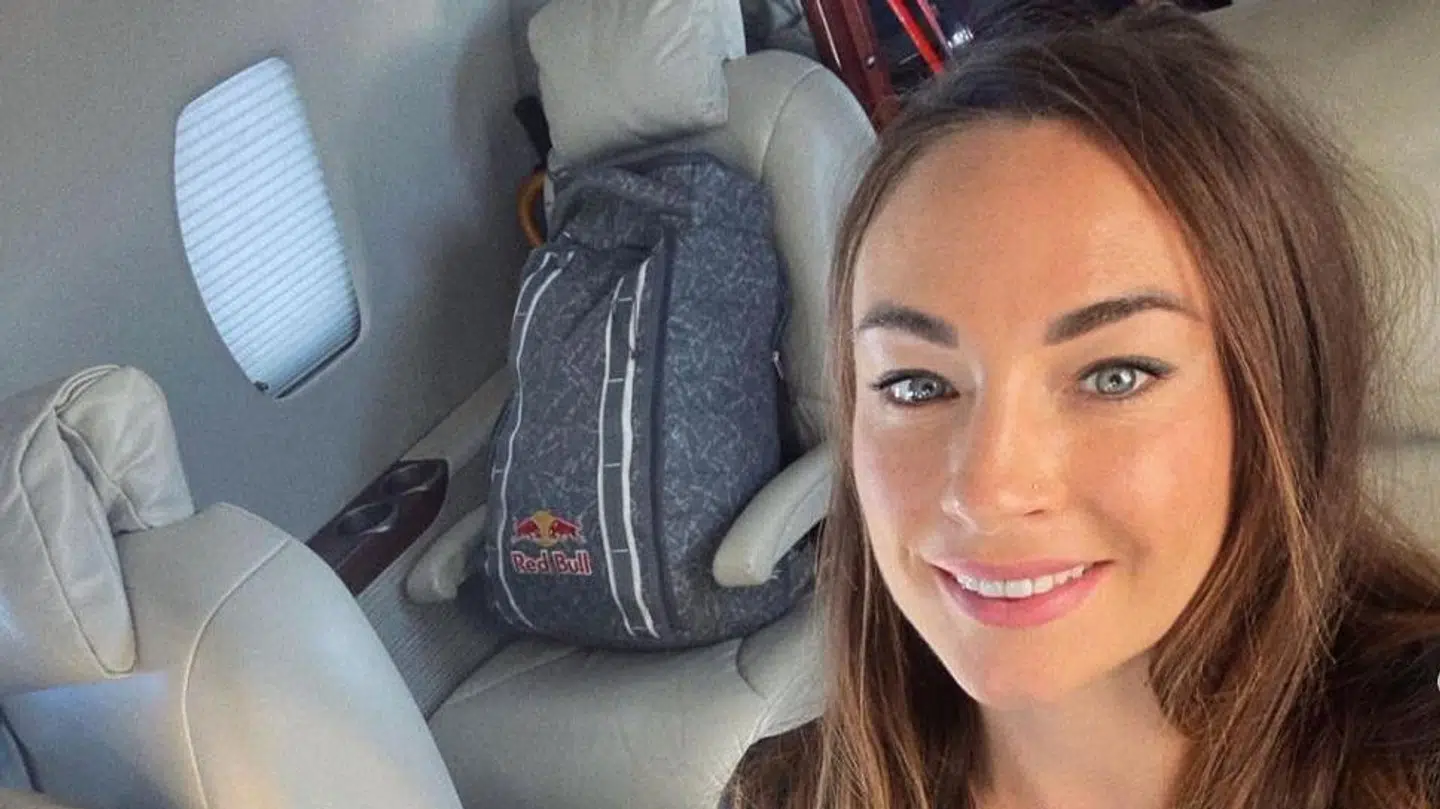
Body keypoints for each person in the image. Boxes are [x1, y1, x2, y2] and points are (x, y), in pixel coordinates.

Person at [723, 2, 1440, 807]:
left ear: (1276, 395)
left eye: (1113, 376)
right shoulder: (773, 787)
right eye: (917, 384)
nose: (987, 489)